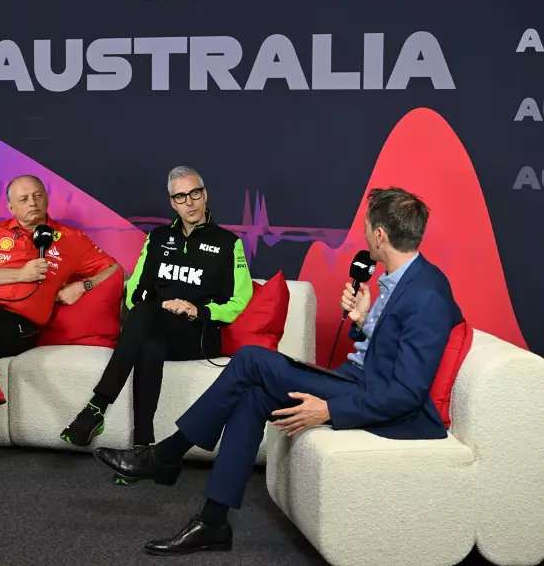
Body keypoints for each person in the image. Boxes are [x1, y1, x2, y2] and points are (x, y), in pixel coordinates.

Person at [93, 186, 461, 556]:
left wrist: (330, 411)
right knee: (252, 395)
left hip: (371, 398)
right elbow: (388, 350)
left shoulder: (425, 294)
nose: (363, 234)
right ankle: (213, 522)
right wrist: (363, 320)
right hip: (355, 380)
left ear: (380, 236)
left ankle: (166, 456)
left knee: (252, 358)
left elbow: (407, 393)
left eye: (366, 227)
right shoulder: (403, 279)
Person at [59, 166, 254, 485]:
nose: (190, 202)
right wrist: (161, 306)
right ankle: (141, 450)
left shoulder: (228, 243)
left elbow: (238, 301)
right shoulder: (158, 238)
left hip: (198, 334)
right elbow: (135, 291)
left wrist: (197, 309)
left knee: (145, 320)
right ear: (172, 203)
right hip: (158, 328)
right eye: (181, 196)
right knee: (148, 338)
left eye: (195, 193)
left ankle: (96, 408)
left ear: (204, 195)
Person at [0, 175, 120, 472]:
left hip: (19, 328)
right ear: (11, 206)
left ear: (47, 199)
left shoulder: (70, 238)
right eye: (23, 199)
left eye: (37, 196)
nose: (32, 203)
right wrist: (21, 274)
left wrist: (83, 286)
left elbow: (112, 267)